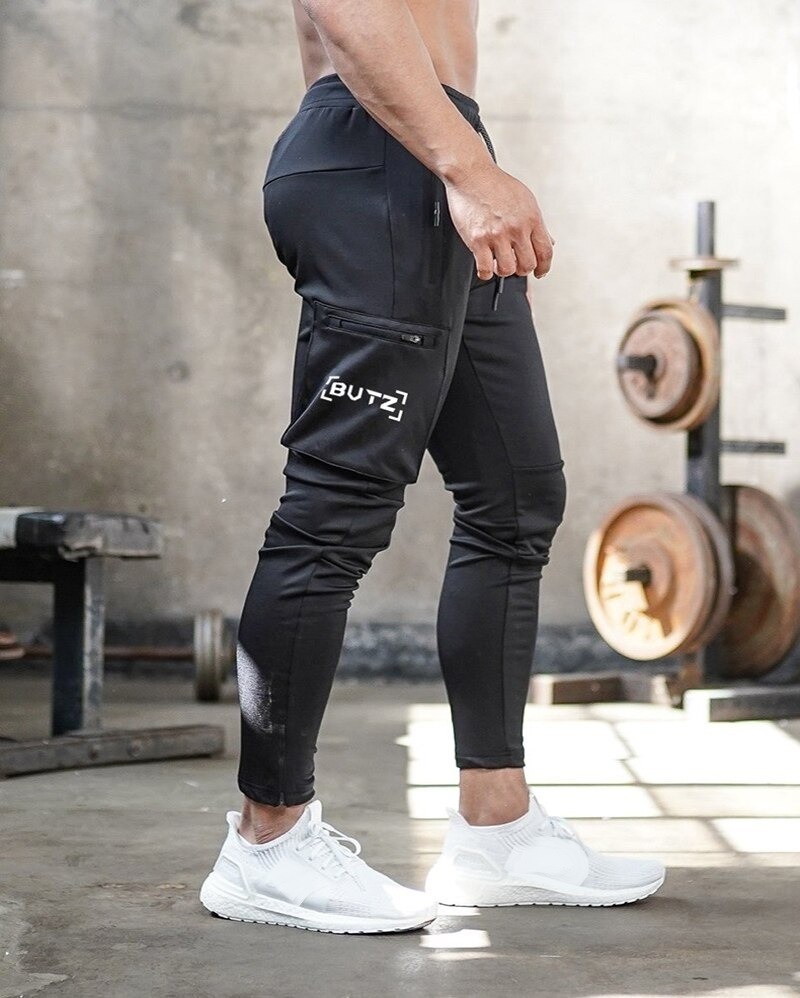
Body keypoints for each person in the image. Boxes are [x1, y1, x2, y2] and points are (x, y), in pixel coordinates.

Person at [200, 0, 665, 933]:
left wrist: (461, 158)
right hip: (391, 155)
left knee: (516, 498)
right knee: (334, 512)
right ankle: (266, 842)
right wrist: (466, 166)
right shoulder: (435, 154)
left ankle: (497, 828)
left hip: (429, 149)